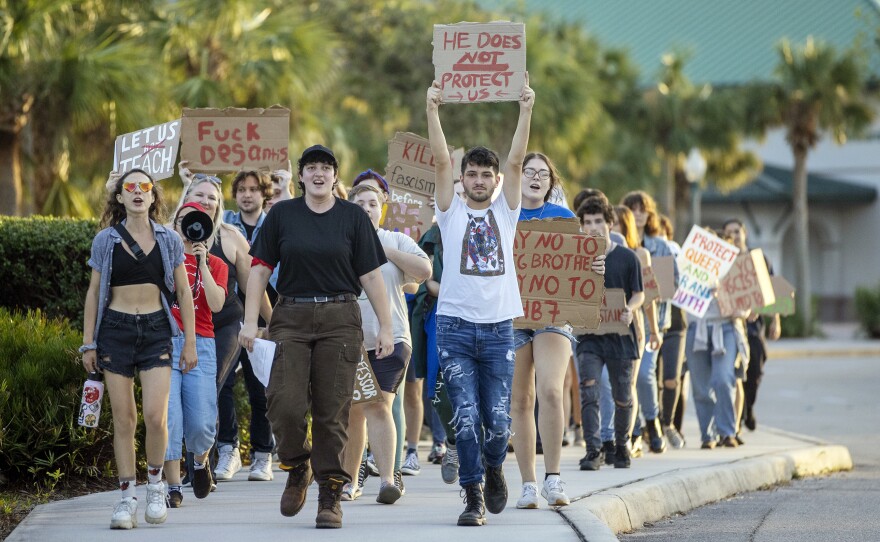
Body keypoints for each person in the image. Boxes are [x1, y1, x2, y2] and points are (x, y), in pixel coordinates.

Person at [239, 144, 393, 529]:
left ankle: (330, 493)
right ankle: (296, 464)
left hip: (341, 317)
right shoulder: (282, 216)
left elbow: (372, 277)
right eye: (312, 168)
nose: (319, 173)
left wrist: (386, 326)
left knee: (332, 409)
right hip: (290, 315)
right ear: (302, 175)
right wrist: (247, 322)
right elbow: (258, 271)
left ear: (335, 176)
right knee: (284, 401)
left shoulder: (353, 218)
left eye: (326, 167)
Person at [425, 74, 534, 527]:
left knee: (499, 422)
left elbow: (517, 160)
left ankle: (493, 466)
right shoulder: (448, 211)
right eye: (471, 173)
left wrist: (526, 108)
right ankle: (472, 495)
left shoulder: (505, 210)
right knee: (466, 418)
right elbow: (438, 161)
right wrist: (432, 109)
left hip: (497, 329)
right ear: (463, 178)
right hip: (454, 325)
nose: (478, 180)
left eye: (485, 175)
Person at [82, 169, 196, 529]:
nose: (136, 192)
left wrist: (189, 341)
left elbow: (183, 293)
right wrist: (89, 343)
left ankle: (156, 485)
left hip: (156, 331)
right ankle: (127, 496)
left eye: (144, 187)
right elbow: (93, 293)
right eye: (128, 187)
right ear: (119, 197)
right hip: (114, 331)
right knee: (124, 419)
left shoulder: (168, 240)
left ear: (152, 196)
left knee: (156, 417)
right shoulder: (105, 240)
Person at [510, 152, 604, 509]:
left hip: (553, 316)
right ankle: (528, 484)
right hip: (513, 317)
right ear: (517, 176)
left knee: (550, 390)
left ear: (551, 184)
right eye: (528, 171)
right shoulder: (505, 215)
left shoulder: (564, 218)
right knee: (519, 400)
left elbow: (580, 268)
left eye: (543, 174)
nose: (535, 178)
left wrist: (595, 263)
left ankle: (553, 478)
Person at [342, 183, 432, 504]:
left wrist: (384, 251)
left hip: (392, 338)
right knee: (353, 412)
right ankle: (350, 482)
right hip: (349, 340)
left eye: (373, 203)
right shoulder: (340, 240)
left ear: (382, 208)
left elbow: (424, 270)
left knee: (379, 403)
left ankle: (386, 481)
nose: (367, 208)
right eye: (360, 203)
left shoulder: (396, 239)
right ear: (350, 207)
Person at [213, 170, 277, 483]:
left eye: (253, 189)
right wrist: (187, 184)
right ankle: (229, 449)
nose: (247, 195)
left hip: (268, 315)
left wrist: (274, 322)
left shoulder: (276, 223)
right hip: (231, 319)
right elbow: (195, 209)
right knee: (222, 384)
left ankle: (263, 455)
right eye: (241, 190)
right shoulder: (224, 225)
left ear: (265, 193)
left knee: (260, 387)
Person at [163, 202, 228, 507]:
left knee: (202, 424)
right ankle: (173, 486)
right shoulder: (162, 259)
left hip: (201, 343)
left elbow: (216, 305)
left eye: (196, 222)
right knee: (171, 419)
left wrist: (202, 264)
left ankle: (200, 462)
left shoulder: (216, 264)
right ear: (174, 226)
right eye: (183, 222)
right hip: (164, 342)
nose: (189, 229)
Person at [576, 196, 645, 471]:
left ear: (610, 223)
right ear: (581, 226)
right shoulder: (576, 257)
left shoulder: (628, 257)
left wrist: (630, 308)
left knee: (622, 396)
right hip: (589, 337)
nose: (593, 227)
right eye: (588, 222)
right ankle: (593, 450)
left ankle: (621, 445)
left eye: (598, 222)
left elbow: (639, 293)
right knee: (589, 390)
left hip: (620, 335)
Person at [621, 191, 676, 454]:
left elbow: (667, 288)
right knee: (626, 378)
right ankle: (633, 430)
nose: (638, 213)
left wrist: (653, 281)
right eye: (632, 208)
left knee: (644, 375)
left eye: (643, 208)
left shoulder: (660, 246)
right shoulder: (619, 243)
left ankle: (652, 422)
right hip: (623, 320)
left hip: (652, 318)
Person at [684, 229, 750, 450]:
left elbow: (746, 308)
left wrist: (727, 299)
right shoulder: (691, 269)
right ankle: (708, 434)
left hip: (726, 329)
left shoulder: (734, 273)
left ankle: (728, 431)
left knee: (723, 379)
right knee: (701, 388)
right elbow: (679, 296)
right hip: (698, 331)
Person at [722, 219, 780, 433]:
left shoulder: (758, 259)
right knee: (734, 373)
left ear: (744, 232)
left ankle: (748, 406)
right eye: (729, 232)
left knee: (755, 370)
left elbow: (771, 290)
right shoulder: (722, 261)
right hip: (730, 325)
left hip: (754, 327)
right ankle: (739, 416)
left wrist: (776, 319)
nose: (734, 236)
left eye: (737, 231)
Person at [656, 214, 688, 448]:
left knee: (671, 379)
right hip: (653, 323)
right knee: (650, 379)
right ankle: (653, 425)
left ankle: (668, 424)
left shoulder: (677, 254)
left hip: (675, 324)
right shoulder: (645, 253)